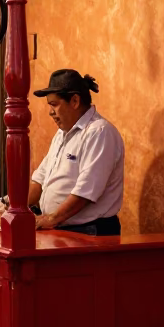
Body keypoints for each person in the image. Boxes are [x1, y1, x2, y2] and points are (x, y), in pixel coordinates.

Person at [29, 69, 124, 235]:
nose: (50, 112)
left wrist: (51, 219)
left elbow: (85, 192)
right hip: (60, 228)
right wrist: (12, 207)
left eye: (54, 104)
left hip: (90, 232)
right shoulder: (61, 134)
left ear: (74, 101)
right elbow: (39, 180)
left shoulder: (99, 132)